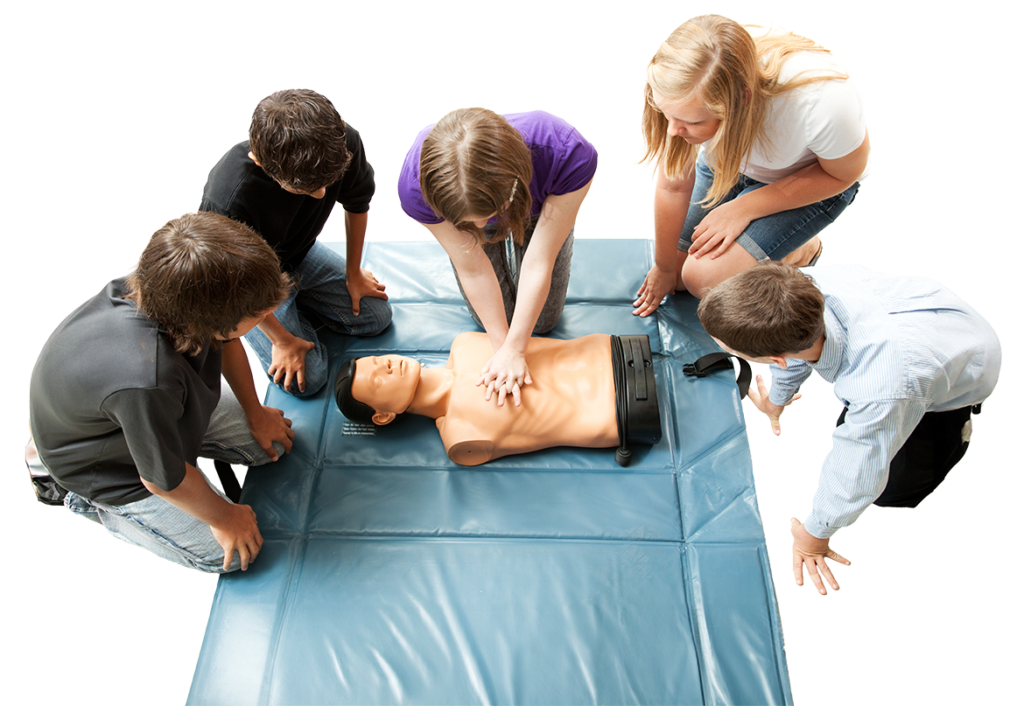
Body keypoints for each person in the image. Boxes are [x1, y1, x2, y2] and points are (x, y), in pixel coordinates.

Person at [697, 262, 1002, 596]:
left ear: (774, 359)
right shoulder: (799, 288)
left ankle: (957, 427)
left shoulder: (882, 385)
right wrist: (778, 400)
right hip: (924, 321)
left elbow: (858, 467)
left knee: (895, 491)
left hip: (964, 366)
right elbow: (790, 353)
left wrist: (815, 537)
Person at [27, 212, 297, 573]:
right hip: (109, 464)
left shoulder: (172, 289)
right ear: (206, 321)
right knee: (231, 554)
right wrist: (227, 516)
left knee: (276, 443)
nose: (271, 313)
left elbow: (229, 339)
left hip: (153, 406)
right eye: (260, 312)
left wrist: (256, 414)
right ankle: (77, 496)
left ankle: (185, 446)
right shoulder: (148, 377)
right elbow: (161, 479)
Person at [632, 14, 871, 312]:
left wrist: (743, 208)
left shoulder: (821, 102)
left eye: (692, 121)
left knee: (701, 279)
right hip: (729, 162)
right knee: (679, 275)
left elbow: (843, 175)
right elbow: (674, 186)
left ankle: (800, 249)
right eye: (668, 116)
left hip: (812, 179)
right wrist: (664, 268)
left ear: (739, 100)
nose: (672, 131)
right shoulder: (684, 81)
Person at [398, 107, 597, 407]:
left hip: (538, 206)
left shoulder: (566, 153)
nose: (481, 227)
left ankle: (499, 210)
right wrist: (502, 351)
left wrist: (517, 349)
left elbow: (539, 258)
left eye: (488, 217)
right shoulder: (415, 188)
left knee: (542, 323)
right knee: (490, 321)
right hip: (463, 209)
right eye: (472, 221)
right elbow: (474, 268)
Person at [200, 87, 392, 397]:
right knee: (307, 380)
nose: (320, 196)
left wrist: (353, 272)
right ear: (261, 163)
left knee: (376, 317)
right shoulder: (227, 201)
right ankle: (291, 316)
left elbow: (358, 203)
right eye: (305, 189)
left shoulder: (342, 142)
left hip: (300, 255)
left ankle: (302, 301)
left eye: (326, 185)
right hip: (256, 284)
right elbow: (233, 290)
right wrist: (281, 339)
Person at [335, 332, 660, 466]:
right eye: (379, 379)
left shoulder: (464, 345)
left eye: (378, 360)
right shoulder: (460, 438)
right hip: (621, 412)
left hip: (613, 349)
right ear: (383, 415)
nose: (388, 364)